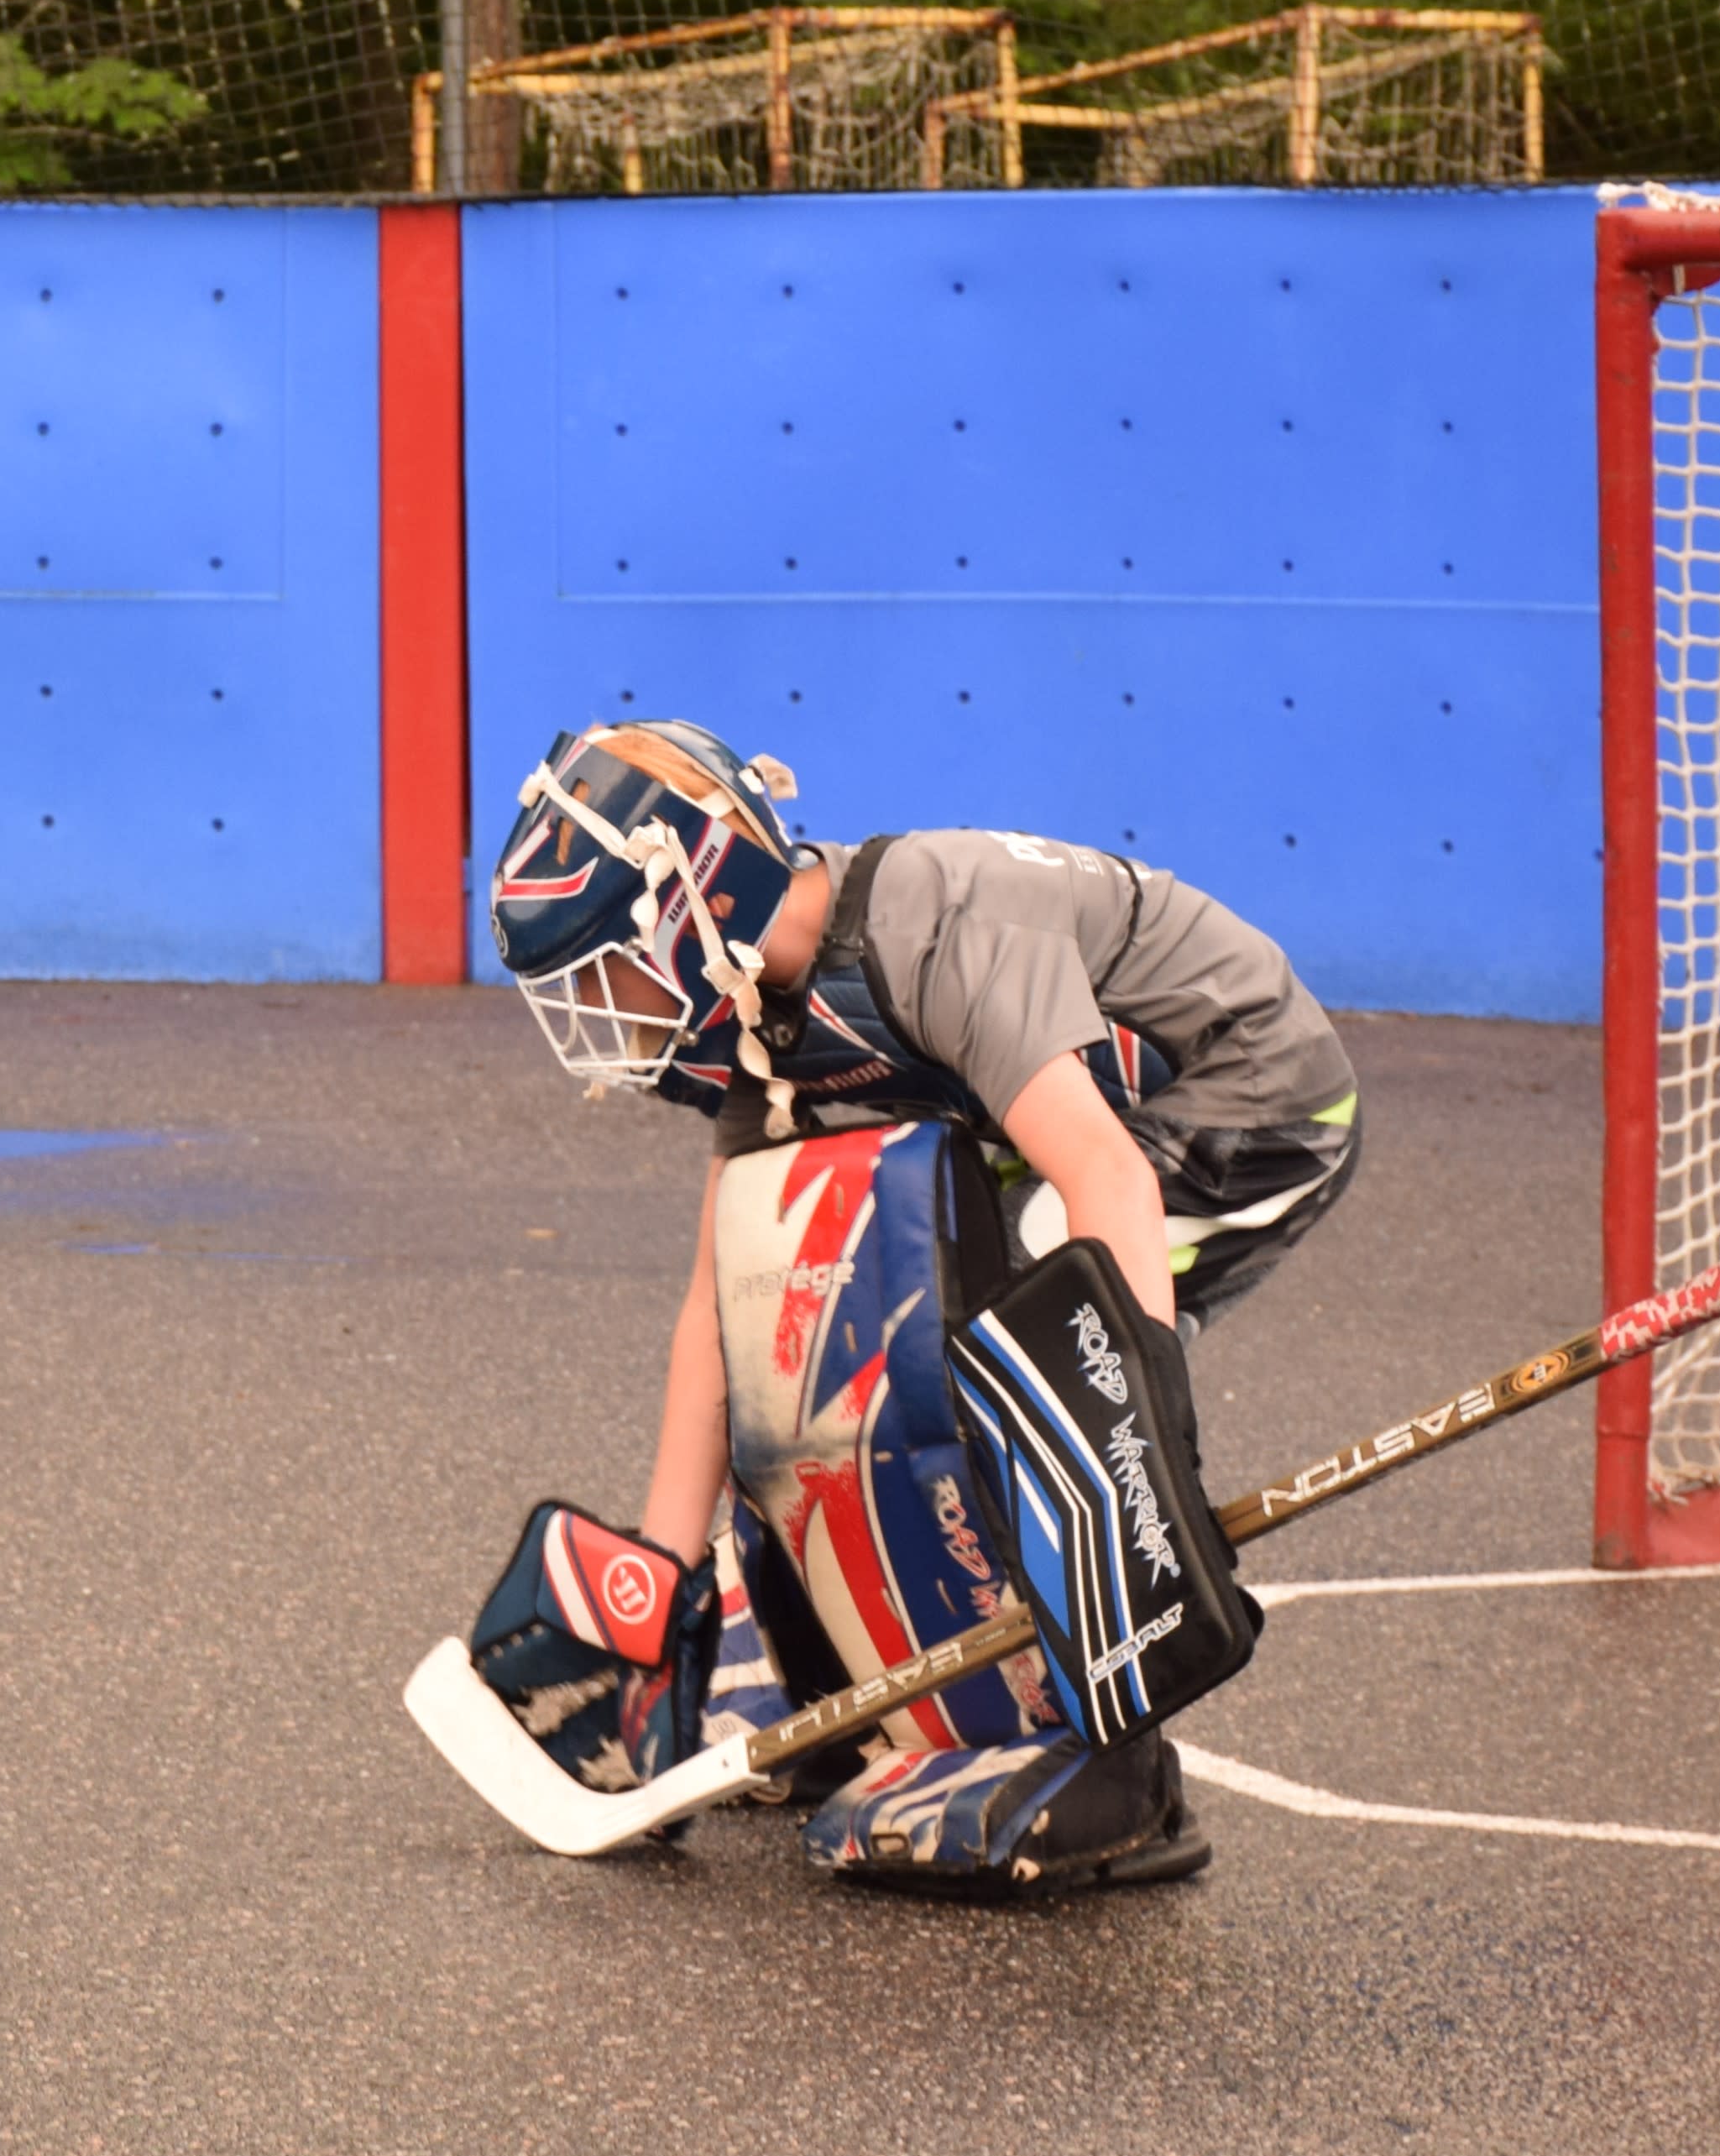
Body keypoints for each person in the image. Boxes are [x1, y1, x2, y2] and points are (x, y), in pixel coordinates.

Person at [476, 718, 1361, 1897]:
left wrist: (1136, 1476)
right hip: (1052, 1134)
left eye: (608, 965)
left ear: (694, 894)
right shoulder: (755, 1009)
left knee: (1016, 1332)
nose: (604, 1009)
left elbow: (1108, 1182)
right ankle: (821, 1685)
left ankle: (1112, 1758)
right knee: (785, 1272)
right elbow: (721, 1296)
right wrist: (661, 1572)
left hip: (1247, 1101)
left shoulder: (932, 930)